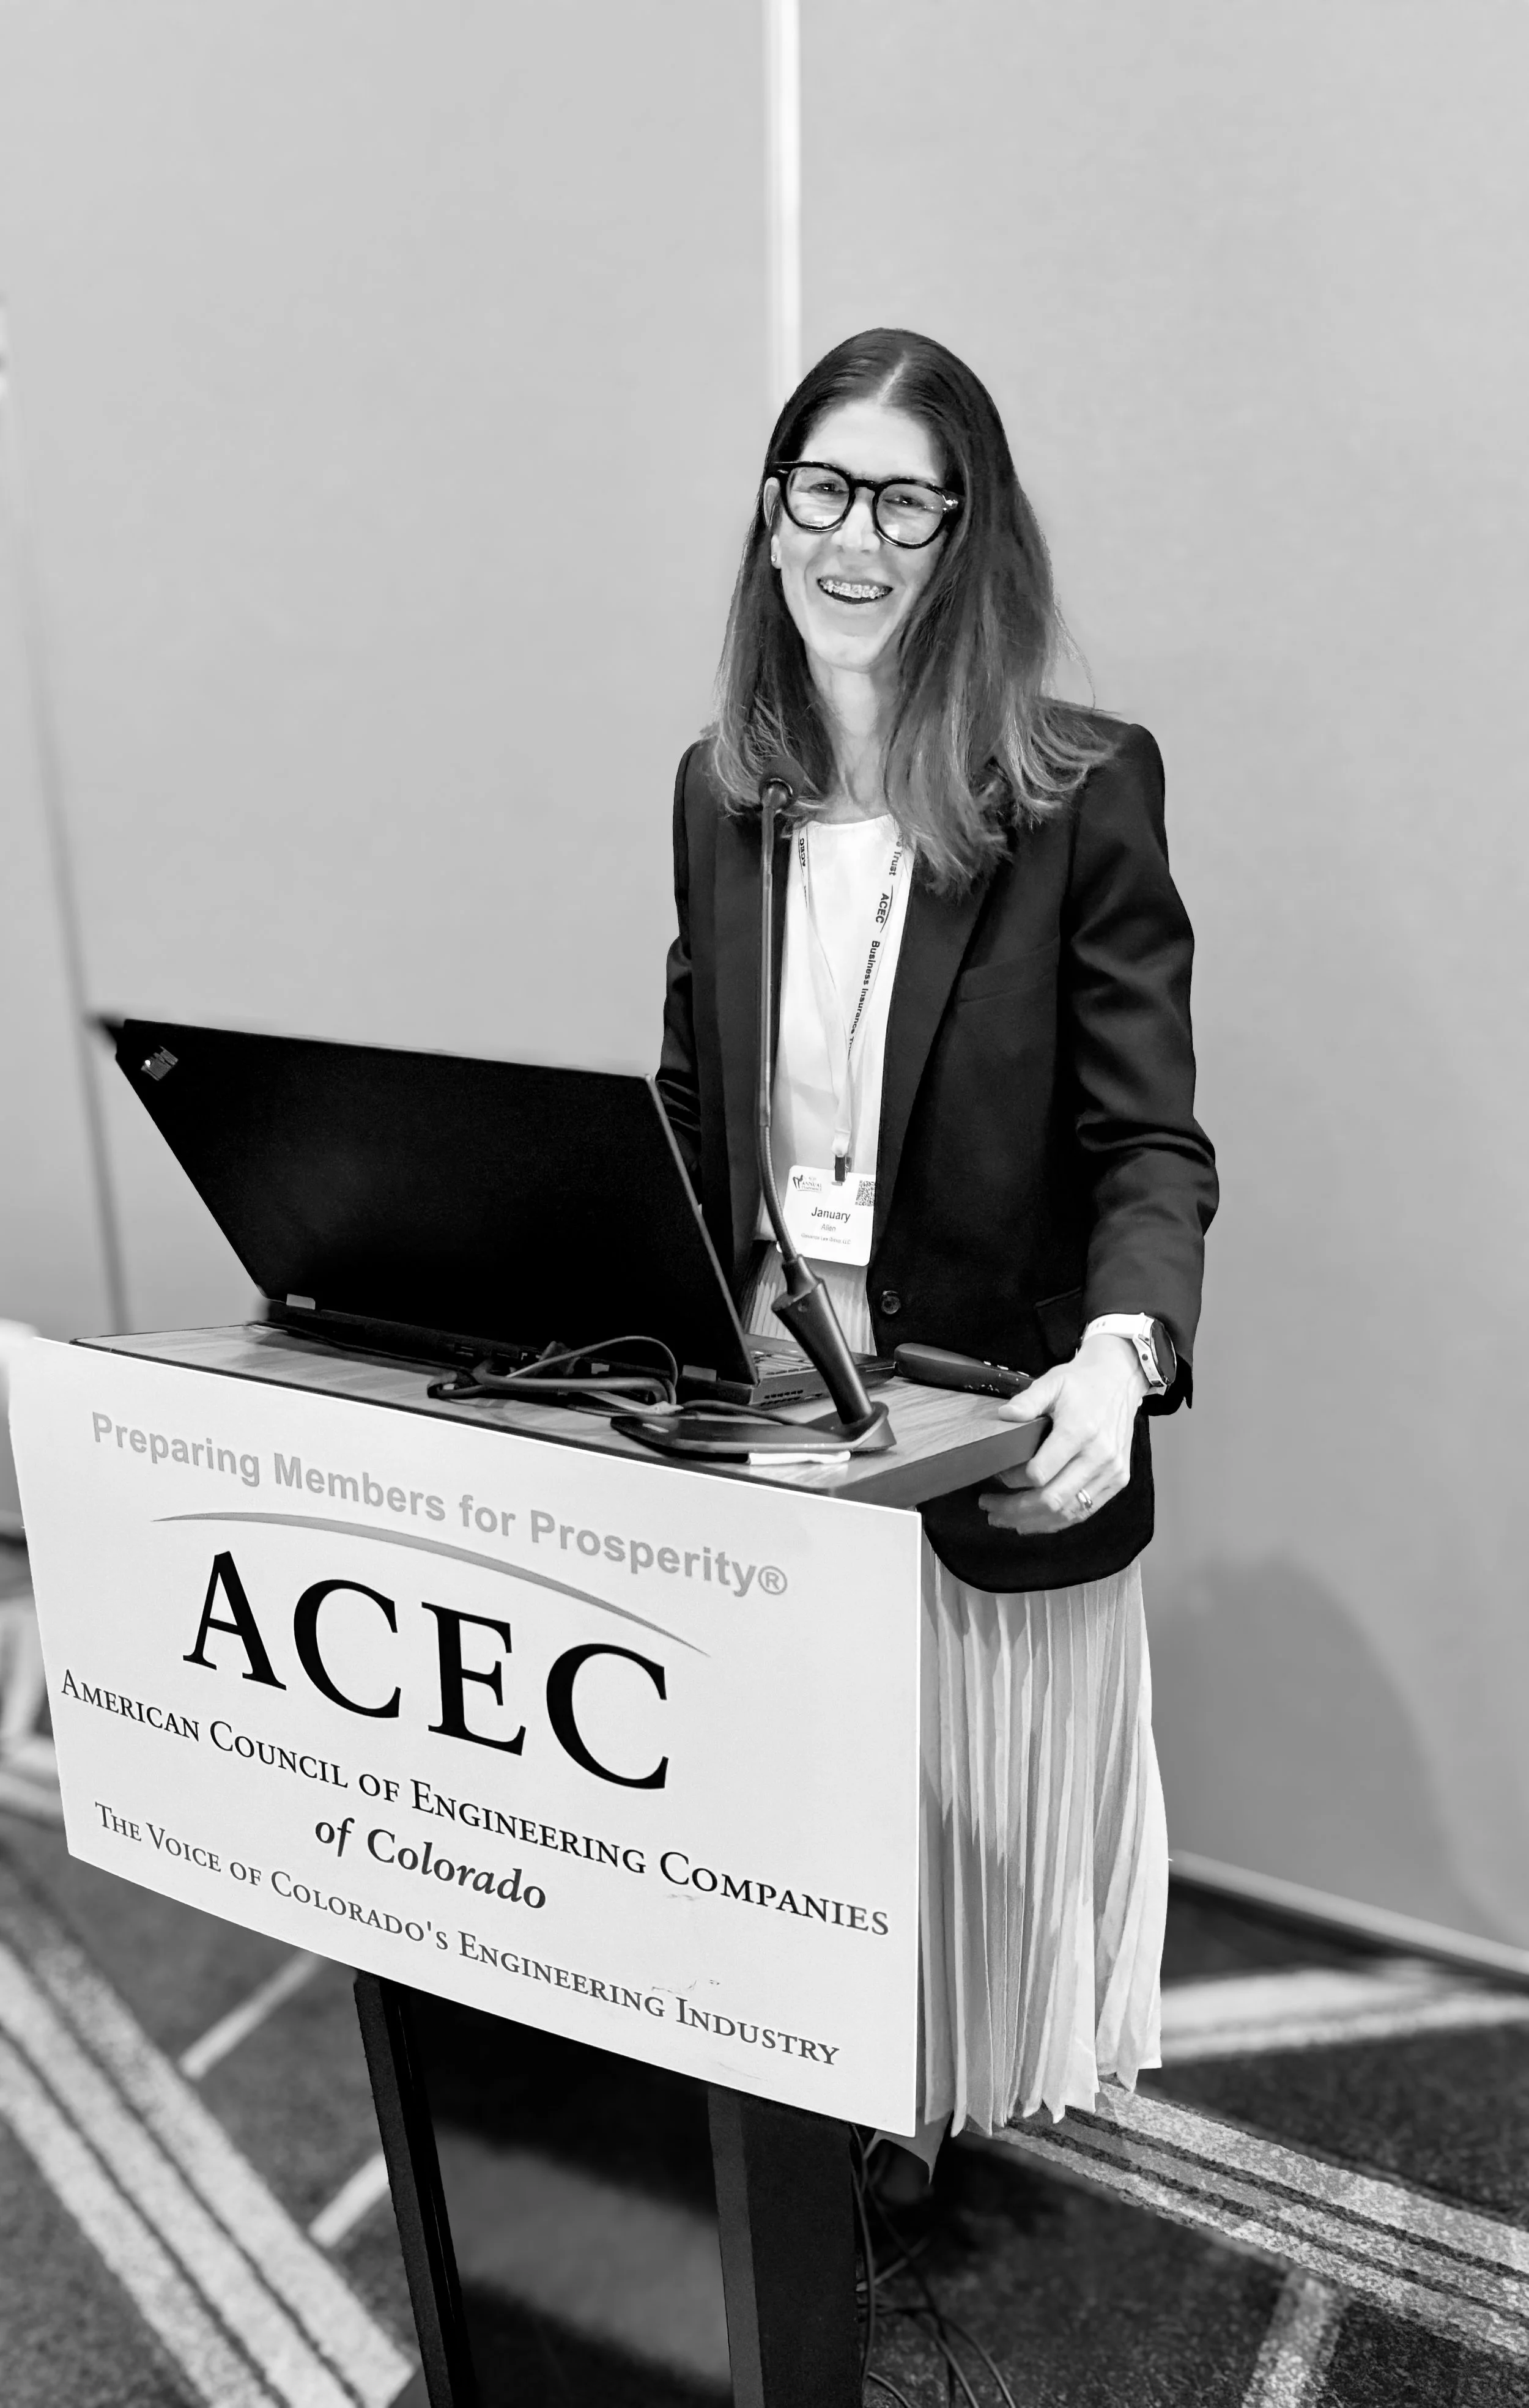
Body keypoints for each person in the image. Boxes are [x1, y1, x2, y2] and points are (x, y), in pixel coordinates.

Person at [657, 328, 1217, 2170]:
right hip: (766, 1420)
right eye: (823, 488)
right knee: (787, 1859)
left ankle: (914, 2179)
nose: (856, 538)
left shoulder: (1077, 790)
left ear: (970, 534)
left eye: (908, 502)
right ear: (771, 512)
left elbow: (1147, 1141)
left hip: (980, 1423)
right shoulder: (720, 791)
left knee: (965, 1918)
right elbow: (692, 1100)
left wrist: (1124, 1355)